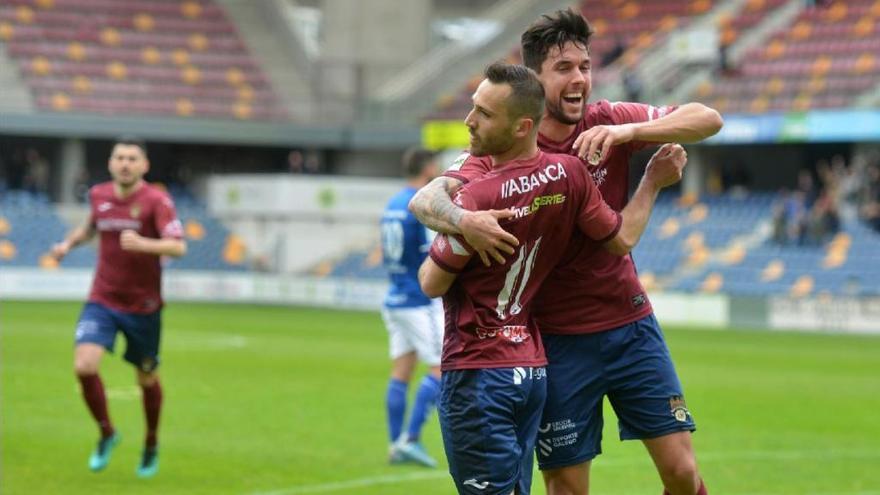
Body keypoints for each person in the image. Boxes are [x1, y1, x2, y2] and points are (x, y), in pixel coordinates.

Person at [410, 9, 723, 495]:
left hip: (629, 324)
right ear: (533, 82)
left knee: (683, 473)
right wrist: (467, 221)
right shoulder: (494, 157)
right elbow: (429, 199)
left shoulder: (608, 121)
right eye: (564, 69)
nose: (580, 79)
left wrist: (629, 133)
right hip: (555, 341)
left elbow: (708, 118)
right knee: (568, 487)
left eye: (585, 66)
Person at [50, 137, 186, 479]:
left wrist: (144, 244)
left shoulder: (157, 201)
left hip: (143, 307)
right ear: (111, 163)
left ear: (144, 166)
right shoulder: (99, 195)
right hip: (103, 299)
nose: (125, 163)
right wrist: (67, 244)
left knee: (146, 378)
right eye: (119, 157)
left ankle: (151, 442)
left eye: (132, 158)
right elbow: (90, 228)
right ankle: (107, 433)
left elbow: (178, 247)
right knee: (84, 366)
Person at [379, 147, 445, 468]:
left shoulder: (392, 203)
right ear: (428, 167)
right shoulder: (420, 204)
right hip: (420, 301)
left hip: (394, 298)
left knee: (401, 372)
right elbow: (430, 255)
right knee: (441, 369)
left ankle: (395, 444)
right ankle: (411, 439)